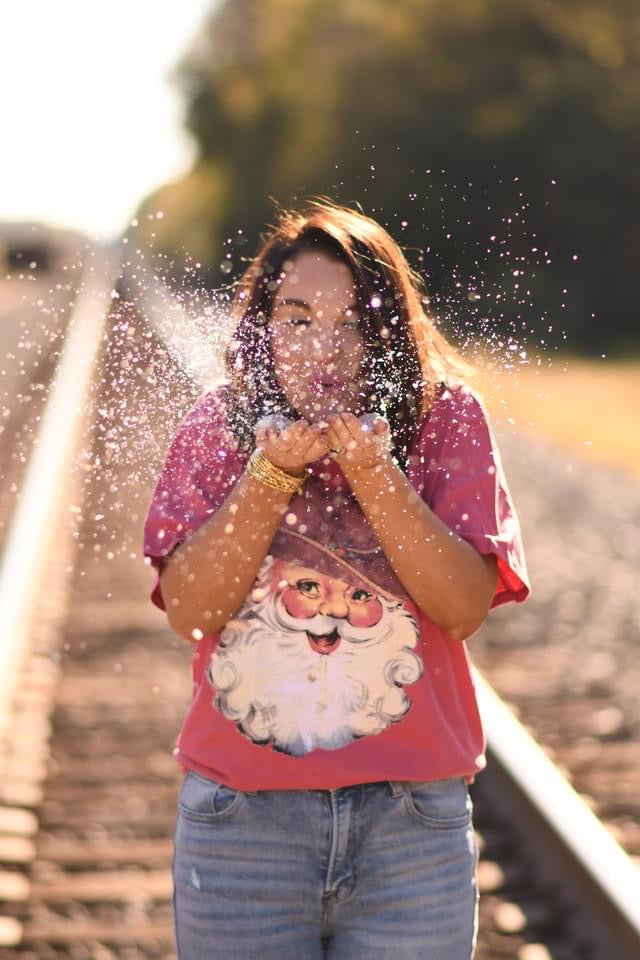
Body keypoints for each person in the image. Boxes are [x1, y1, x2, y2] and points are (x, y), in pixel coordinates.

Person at [143, 199, 530, 959]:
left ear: (390, 334)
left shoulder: (443, 417)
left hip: (410, 833)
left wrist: (373, 474)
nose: (325, 347)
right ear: (264, 328)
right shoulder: (218, 426)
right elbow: (191, 611)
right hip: (242, 832)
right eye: (297, 320)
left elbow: (462, 608)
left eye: (354, 323)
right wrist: (268, 477)